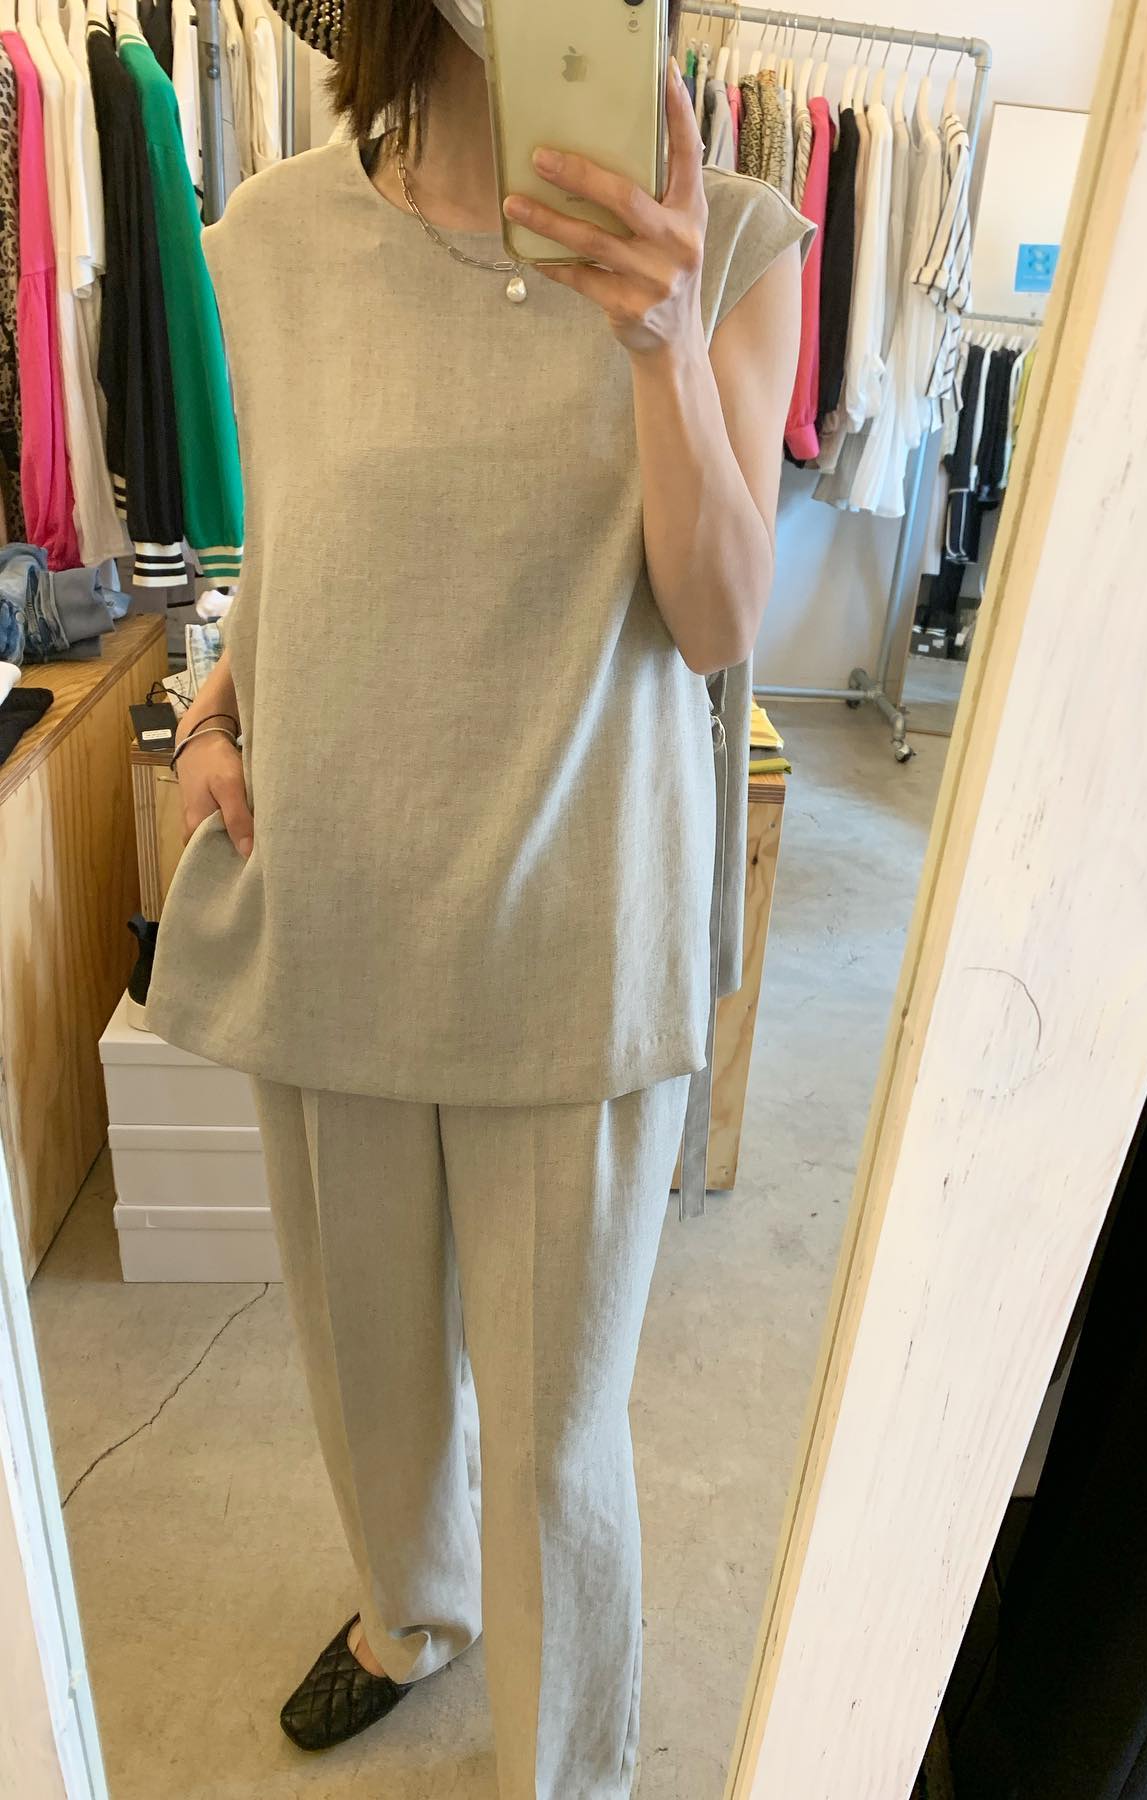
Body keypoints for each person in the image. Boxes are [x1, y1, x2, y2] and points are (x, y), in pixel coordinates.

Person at [144, 0, 809, 1791]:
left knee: (552, 1441)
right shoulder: (273, 236)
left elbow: (720, 621)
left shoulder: (734, 238)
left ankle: (563, 1770)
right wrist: (210, 710)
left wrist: (662, 343)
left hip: (576, 929)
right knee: (368, 1369)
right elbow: (300, 541)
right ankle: (409, 1611)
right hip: (337, 902)